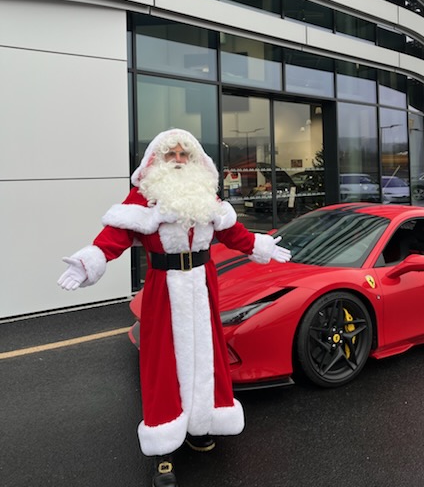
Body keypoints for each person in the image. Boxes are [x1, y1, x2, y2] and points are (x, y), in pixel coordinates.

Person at [57, 128, 291, 487]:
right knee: (162, 366)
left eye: (185, 154)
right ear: (157, 161)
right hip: (164, 292)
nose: (179, 160)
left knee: (207, 358)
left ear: (196, 160)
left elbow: (232, 233)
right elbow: (112, 239)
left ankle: (200, 426)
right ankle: (163, 447)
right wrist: (88, 262)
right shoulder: (144, 197)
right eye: (172, 155)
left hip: (202, 289)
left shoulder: (204, 196)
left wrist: (260, 247)